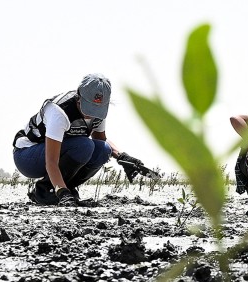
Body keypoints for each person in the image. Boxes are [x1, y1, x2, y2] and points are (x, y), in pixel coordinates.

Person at [12, 73, 147, 206]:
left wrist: (123, 157)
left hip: (61, 152)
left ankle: (65, 188)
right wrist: (62, 193)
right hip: (27, 156)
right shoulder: (59, 112)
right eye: (89, 108)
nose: (91, 114)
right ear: (79, 97)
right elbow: (51, 161)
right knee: (84, 146)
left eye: (97, 109)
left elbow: (101, 140)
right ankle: (47, 191)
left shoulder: (99, 112)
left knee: (102, 150)